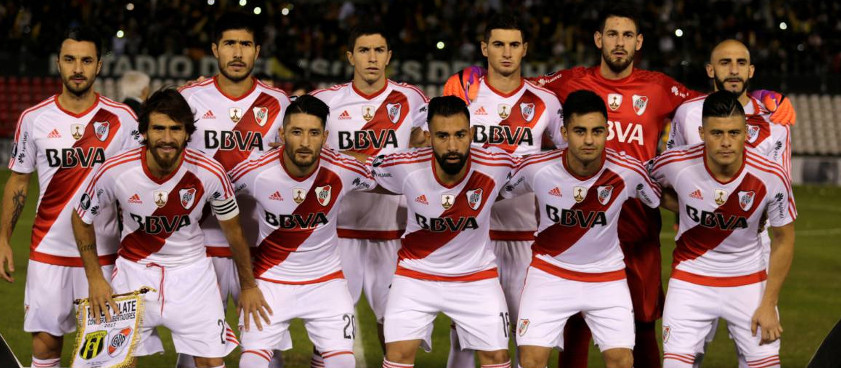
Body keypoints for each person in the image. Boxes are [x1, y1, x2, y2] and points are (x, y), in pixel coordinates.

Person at [71, 88, 272, 368]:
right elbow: (80, 218)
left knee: (212, 362)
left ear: (187, 132)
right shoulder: (115, 171)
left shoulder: (210, 173)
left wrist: (248, 285)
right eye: (159, 128)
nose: (167, 138)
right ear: (144, 131)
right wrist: (95, 278)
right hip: (133, 273)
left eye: (175, 129)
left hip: (192, 274)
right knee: (114, 364)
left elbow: (234, 231)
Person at [0, 27, 141, 368]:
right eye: (70, 59)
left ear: (99, 65)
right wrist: (3, 239)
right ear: (58, 63)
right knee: (46, 350)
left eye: (86, 60)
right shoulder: (33, 119)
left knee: (110, 357)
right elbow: (18, 182)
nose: (78, 68)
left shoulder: (122, 119)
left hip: (105, 256)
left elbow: (140, 183)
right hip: (48, 253)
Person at [441, 13, 565, 368]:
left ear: (525, 49)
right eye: (498, 44)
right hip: (471, 237)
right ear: (484, 48)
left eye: (514, 45)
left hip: (528, 237)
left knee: (532, 344)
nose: (506, 53)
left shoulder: (546, 102)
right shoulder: (464, 94)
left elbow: (568, 159)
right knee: (464, 340)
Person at [503, 90, 660, 368]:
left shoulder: (627, 171)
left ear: (607, 131)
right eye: (580, 131)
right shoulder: (536, 168)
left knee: (622, 361)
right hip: (549, 274)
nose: (589, 140)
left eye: (597, 131)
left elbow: (657, 198)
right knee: (530, 360)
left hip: (606, 277)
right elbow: (495, 191)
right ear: (564, 131)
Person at [667, 40, 793, 367]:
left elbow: (780, 187)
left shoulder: (776, 121)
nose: (733, 70)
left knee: (757, 352)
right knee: (687, 354)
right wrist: (689, 209)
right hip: (697, 249)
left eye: (741, 63)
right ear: (710, 70)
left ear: (751, 71)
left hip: (753, 250)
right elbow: (670, 174)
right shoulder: (688, 114)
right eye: (725, 63)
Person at [178, 12, 292, 367]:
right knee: (196, 352)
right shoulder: (189, 99)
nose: (238, 52)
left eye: (245, 44)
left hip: (261, 246)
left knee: (263, 350)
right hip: (199, 246)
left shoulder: (279, 102)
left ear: (257, 51)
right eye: (230, 44)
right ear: (215, 49)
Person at [230, 95, 376, 368]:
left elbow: (390, 173)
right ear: (282, 133)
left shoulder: (343, 168)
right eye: (296, 132)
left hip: (326, 282)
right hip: (270, 282)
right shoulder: (255, 171)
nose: (306, 143)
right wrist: (248, 285)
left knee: (344, 363)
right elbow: (212, 190)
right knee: (251, 363)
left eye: (313, 133)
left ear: (325, 137)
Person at [310, 24, 428, 357]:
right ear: (350, 57)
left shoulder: (412, 98)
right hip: (338, 233)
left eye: (379, 51)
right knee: (331, 326)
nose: (372, 58)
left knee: (395, 326)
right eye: (364, 51)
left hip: (394, 232)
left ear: (389, 56)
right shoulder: (325, 100)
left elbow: (428, 142)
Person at [372, 96, 513, 368]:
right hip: (416, 276)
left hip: (476, 277)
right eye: (442, 136)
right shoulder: (405, 165)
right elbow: (353, 167)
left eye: (460, 135)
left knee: (497, 358)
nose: (452, 145)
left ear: (472, 133)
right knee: (397, 355)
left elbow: (544, 167)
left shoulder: (497, 164)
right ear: (428, 136)